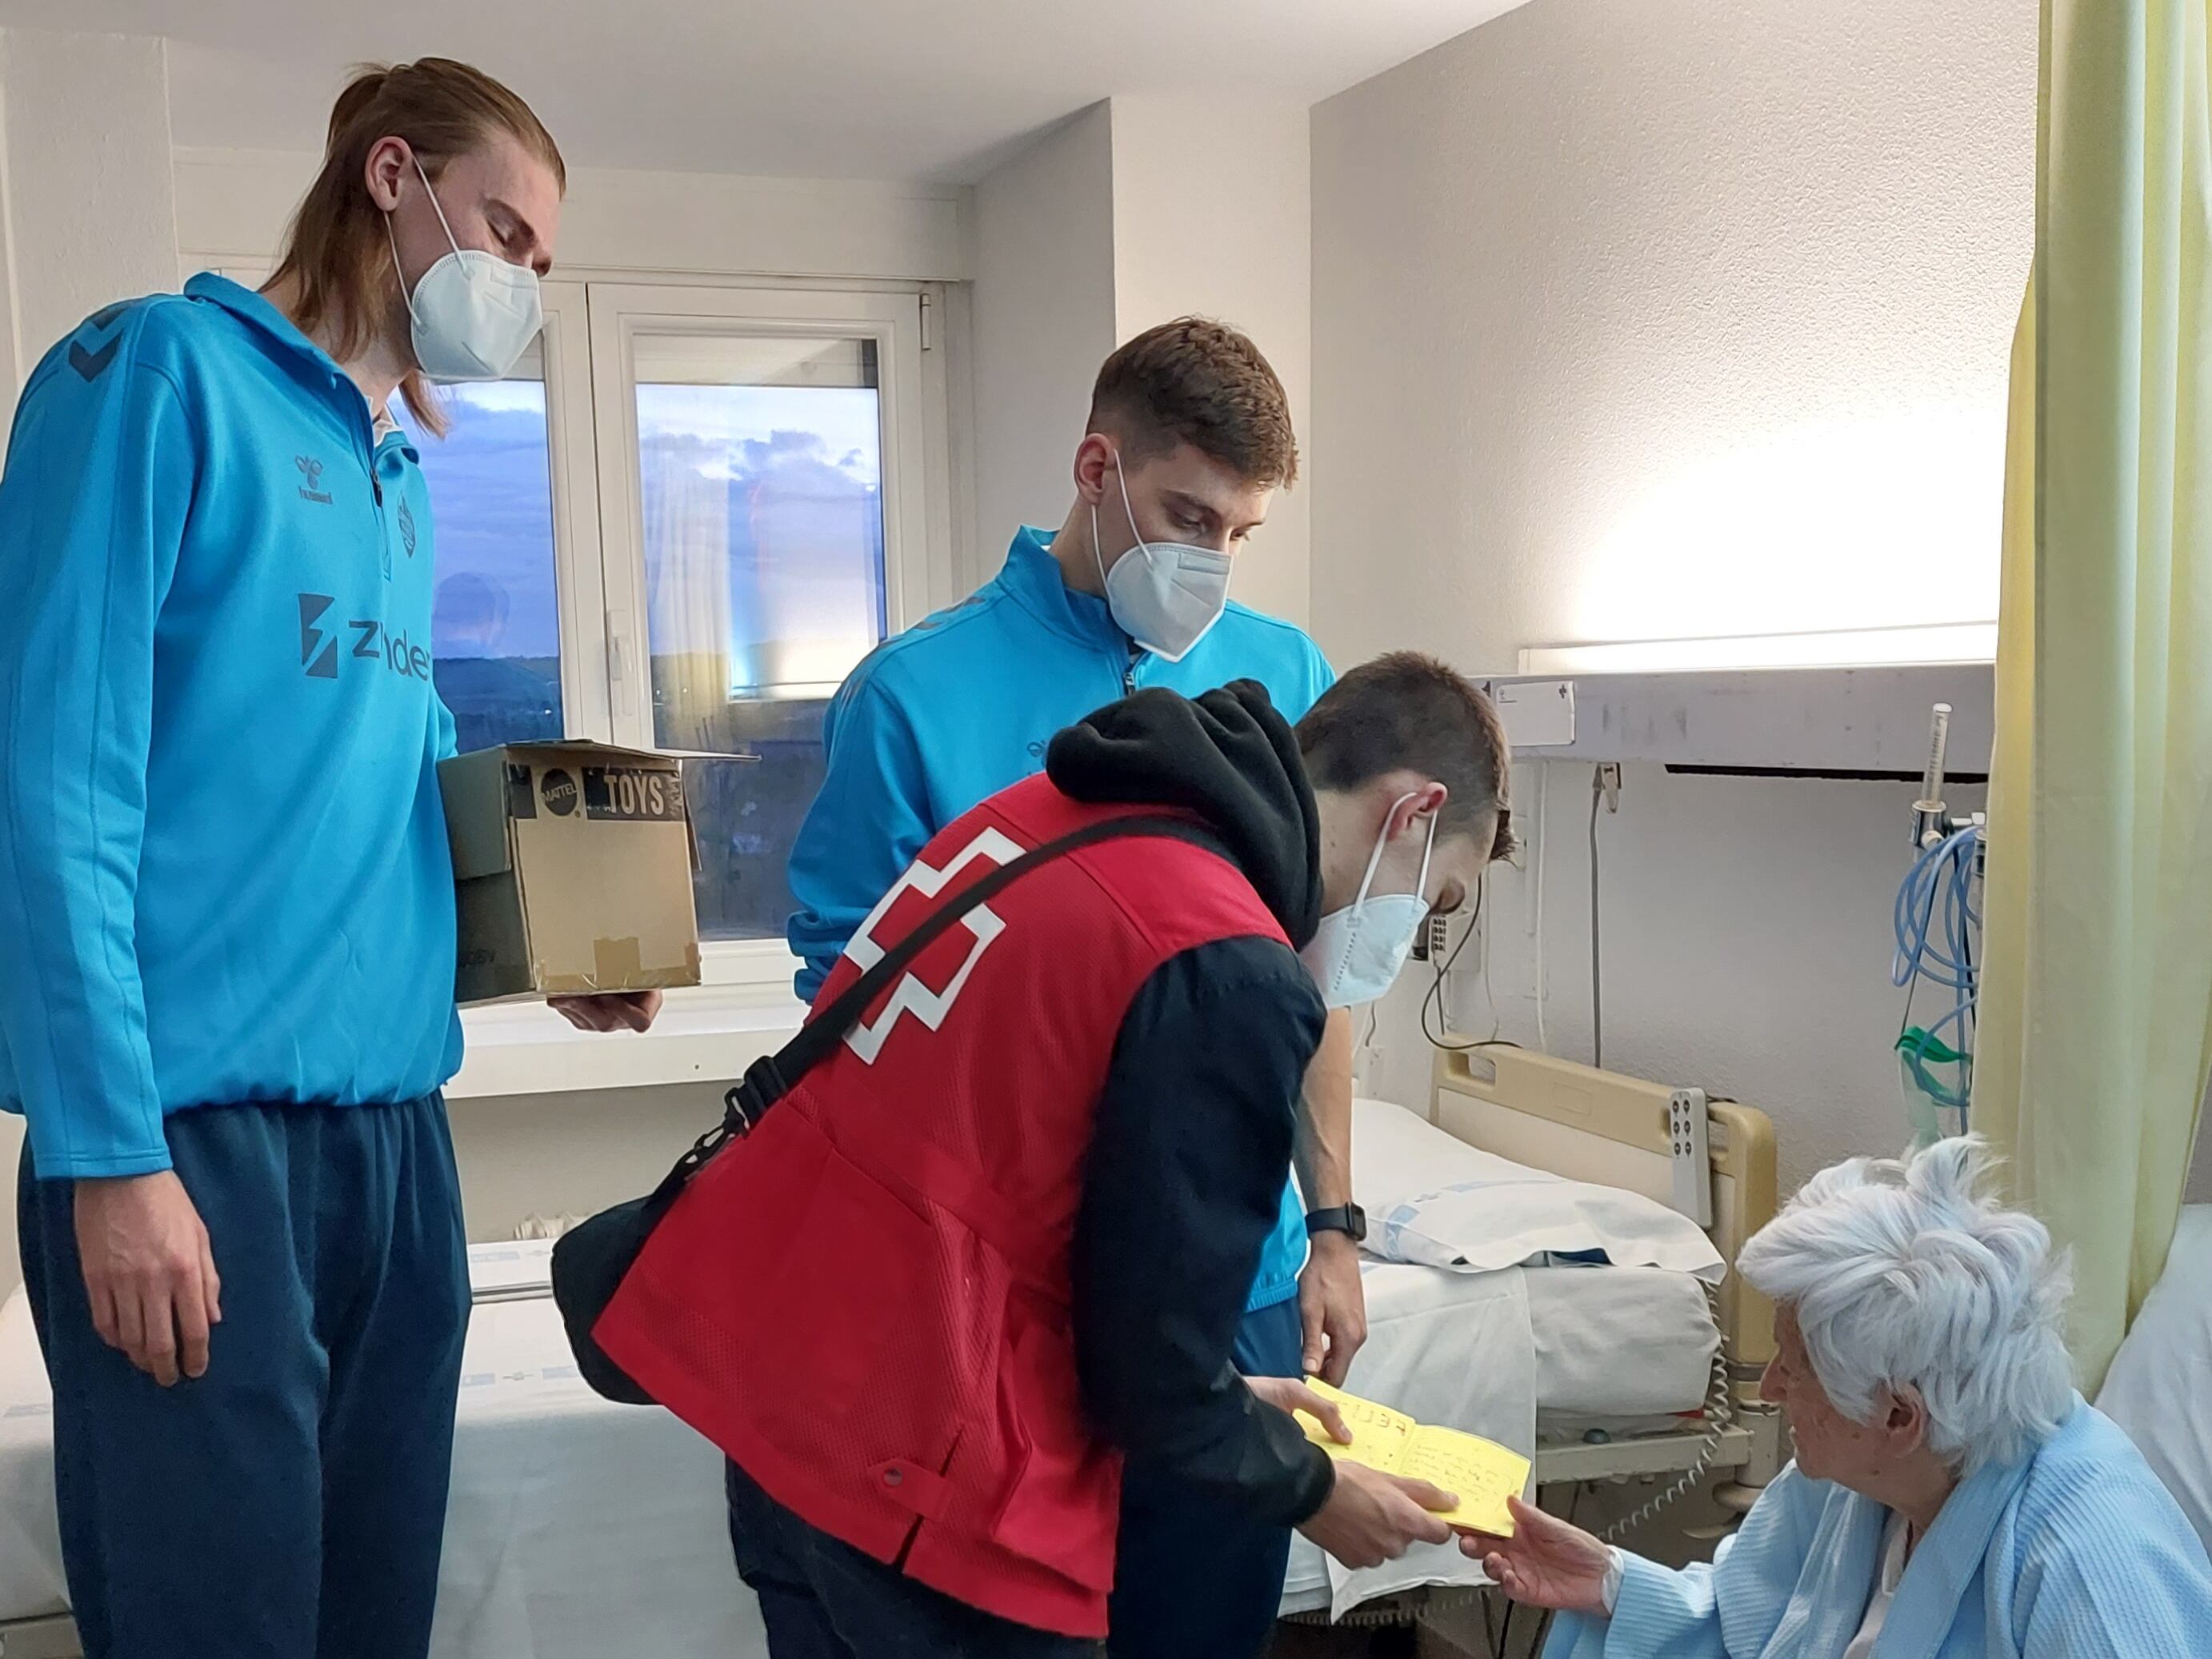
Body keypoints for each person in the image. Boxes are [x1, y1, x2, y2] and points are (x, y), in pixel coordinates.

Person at [0, 60, 654, 1659]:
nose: (517, 284)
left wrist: (554, 934)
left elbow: (396, 759)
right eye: (504, 229)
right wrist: (109, 1148)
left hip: (393, 1142)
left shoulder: (400, 479)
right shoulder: (157, 372)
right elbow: (52, 771)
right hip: (195, 1136)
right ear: (389, 177)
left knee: (372, 1622)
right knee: (214, 1623)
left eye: (542, 265)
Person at [593, 654, 1518, 1657]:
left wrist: (1225, 1400)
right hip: (922, 1468)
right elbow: (1149, 1366)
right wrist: (1314, 1488)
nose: (1408, 928)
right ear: (1412, 813)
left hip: (792, 1410)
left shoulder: (1046, 818)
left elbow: (1008, 1162)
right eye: (1437, 897)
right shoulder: (1226, 963)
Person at [781, 318, 1369, 1651]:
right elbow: (855, 1013)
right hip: (1008, 1294)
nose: (1209, 560)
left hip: (1238, 1270)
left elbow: (1317, 983)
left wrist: (1331, 1219)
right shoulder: (915, 698)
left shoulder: (1283, 679)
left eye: (1241, 530)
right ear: (1095, 466)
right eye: (1185, 514)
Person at [1462, 1138, 2212, 1657]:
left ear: (1897, 1416)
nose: (1770, 1387)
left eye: (1796, 1366)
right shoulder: (1864, 1478)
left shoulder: (2090, 1564)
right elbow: (1745, 1621)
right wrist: (1606, 1579)